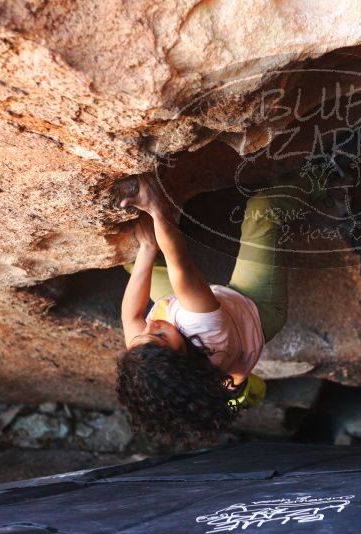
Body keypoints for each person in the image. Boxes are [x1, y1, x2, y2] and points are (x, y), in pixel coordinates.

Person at [116, 174, 288, 438]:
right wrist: (155, 208)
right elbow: (180, 264)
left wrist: (146, 251)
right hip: (256, 310)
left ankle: (239, 385)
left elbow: (132, 315)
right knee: (264, 209)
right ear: (185, 356)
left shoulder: (146, 355)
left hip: (221, 337)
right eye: (161, 335)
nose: (151, 324)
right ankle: (327, 174)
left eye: (144, 335)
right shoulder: (205, 331)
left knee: (134, 265)